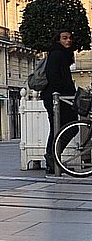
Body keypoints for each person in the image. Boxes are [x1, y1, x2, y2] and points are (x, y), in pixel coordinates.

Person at [41, 29, 77, 176]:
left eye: (69, 38)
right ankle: (52, 158)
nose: (68, 40)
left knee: (58, 129)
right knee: (70, 127)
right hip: (56, 98)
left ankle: (53, 160)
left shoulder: (62, 54)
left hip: (60, 97)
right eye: (64, 38)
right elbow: (53, 76)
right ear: (58, 40)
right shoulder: (57, 54)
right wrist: (64, 92)